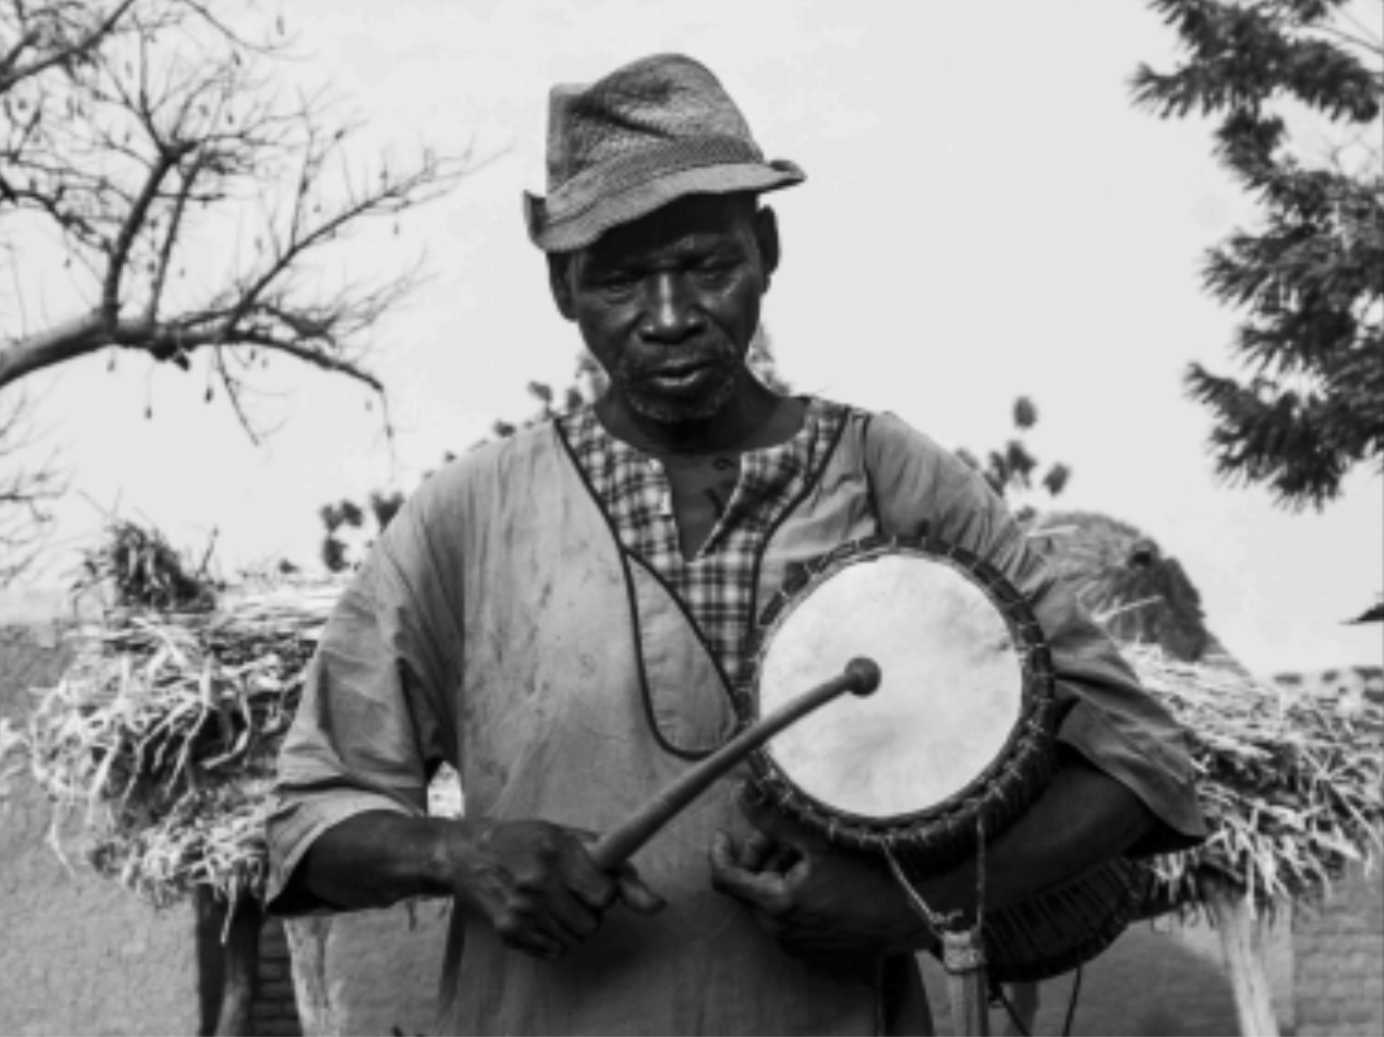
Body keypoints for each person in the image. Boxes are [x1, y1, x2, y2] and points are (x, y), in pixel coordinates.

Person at [267, 53, 1207, 1036]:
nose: (670, 316)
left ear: (765, 246)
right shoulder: (466, 516)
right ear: (561, 285)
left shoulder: (892, 478)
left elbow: (1137, 757)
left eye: (707, 265)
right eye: (621, 279)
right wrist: (459, 852)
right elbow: (309, 819)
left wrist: (911, 905)